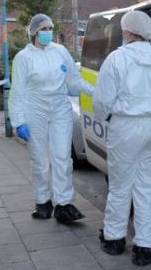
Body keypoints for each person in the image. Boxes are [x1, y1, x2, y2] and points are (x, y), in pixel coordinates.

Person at [93, 10, 151, 266]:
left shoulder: (117, 59)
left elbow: (103, 100)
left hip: (127, 127)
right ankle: (146, 245)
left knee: (120, 184)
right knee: (148, 187)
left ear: (128, 32)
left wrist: (105, 117)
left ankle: (115, 239)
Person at [9, 14, 94, 223]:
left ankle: (64, 204)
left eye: (50, 28)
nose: (48, 33)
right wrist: (18, 121)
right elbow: (17, 91)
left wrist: (97, 91)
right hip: (35, 110)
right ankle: (43, 201)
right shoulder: (24, 58)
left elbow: (75, 78)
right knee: (40, 158)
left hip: (59, 109)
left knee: (62, 157)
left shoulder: (61, 52)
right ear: (34, 32)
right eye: (44, 29)